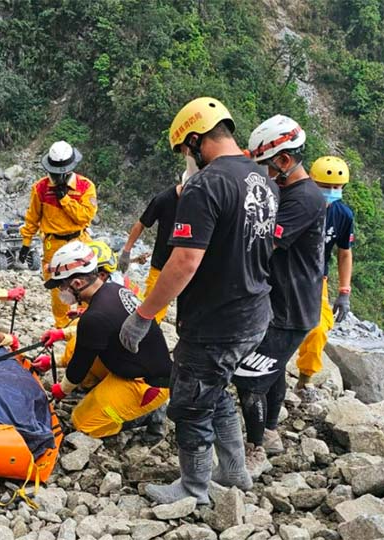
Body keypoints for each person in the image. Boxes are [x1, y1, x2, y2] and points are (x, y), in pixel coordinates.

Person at [119, 97, 279, 503]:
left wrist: (142, 314)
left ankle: (193, 488)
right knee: (215, 389)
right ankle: (235, 472)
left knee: (190, 404)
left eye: (186, 150)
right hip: (254, 311)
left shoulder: (206, 184)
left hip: (216, 322)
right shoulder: (261, 179)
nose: (187, 158)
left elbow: (185, 261)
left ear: (194, 140)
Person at [232, 115, 325, 478]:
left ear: (284, 162)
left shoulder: (303, 199)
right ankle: (269, 432)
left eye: (266, 167)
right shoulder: (288, 191)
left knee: (249, 378)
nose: (263, 175)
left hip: (289, 309)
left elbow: (263, 243)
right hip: (282, 301)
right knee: (271, 370)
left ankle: (255, 450)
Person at [38, 242, 170, 441]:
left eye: (61, 286)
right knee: (79, 346)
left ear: (76, 284)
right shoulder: (113, 289)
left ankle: (143, 416)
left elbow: (77, 368)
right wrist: (62, 335)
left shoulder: (94, 317)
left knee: (83, 422)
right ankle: (103, 395)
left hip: (146, 384)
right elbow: (101, 331)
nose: (60, 291)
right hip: (134, 363)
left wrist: (61, 390)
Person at [295, 156, 355, 400]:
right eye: (325, 186)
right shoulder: (296, 205)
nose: (331, 192)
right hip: (285, 273)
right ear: (311, 181)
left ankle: (305, 379)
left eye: (336, 187)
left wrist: (344, 291)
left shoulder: (343, 215)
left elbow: (344, 253)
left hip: (317, 279)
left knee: (319, 328)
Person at [20, 141, 98, 328]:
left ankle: (89, 323)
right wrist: (26, 242)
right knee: (59, 289)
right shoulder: (40, 188)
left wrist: (65, 199)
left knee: (86, 283)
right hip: (53, 244)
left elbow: (84, 217)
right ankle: (62, 327)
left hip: (79, 240)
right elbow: (32, 218)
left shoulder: (85, 186)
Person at [118, 173, 189, 323]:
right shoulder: (164, 199)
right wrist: (126, 250)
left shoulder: (201, 203)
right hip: (161, 265)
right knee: (150, 310)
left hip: (188, 266)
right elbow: (141, 223)